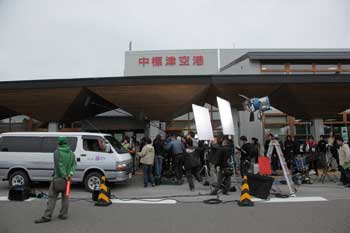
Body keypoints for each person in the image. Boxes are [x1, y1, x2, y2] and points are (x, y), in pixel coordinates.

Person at [35, 136, 76, 223]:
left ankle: (47, 216)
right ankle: (63, 214)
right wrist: (70, 174)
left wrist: (64, 175)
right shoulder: (72, 153)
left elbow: (59, 166)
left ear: (59, 142)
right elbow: (74, 165)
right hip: (68, 180)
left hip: (58, 178)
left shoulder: (57, 152)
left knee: (52, 197)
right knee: (66, 197)